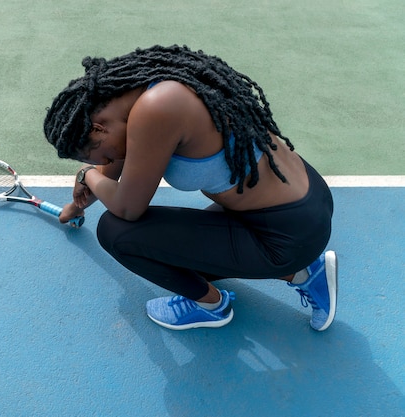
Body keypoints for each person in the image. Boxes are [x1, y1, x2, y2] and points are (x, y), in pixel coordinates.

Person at [43, 45, 338, 331]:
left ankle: (211, 306)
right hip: (306, 200)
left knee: (116, 232)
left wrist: (87, 175)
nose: (106, 162)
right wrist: (78, 204)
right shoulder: (148, 89)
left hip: (284, 234)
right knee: (176, 261)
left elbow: (128, 208)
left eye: (100, 155)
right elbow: (120, 157)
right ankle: (303, 273)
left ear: (98, 128)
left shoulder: (157, 110)